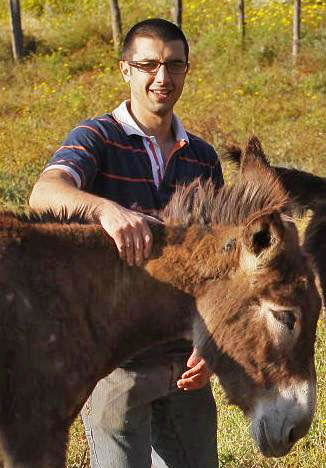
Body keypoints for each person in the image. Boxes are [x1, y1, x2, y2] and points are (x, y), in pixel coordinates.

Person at [29, 18, 224, 468]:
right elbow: (45, 192)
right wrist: (106, 210)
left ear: (187, 70)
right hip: (117, 367)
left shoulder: (202, 157)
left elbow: (215, 265)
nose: (162, 78)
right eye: (148, 64)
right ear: (125, 70)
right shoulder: (97, 137)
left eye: (174, 65)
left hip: (185, 364)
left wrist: (211, 339)